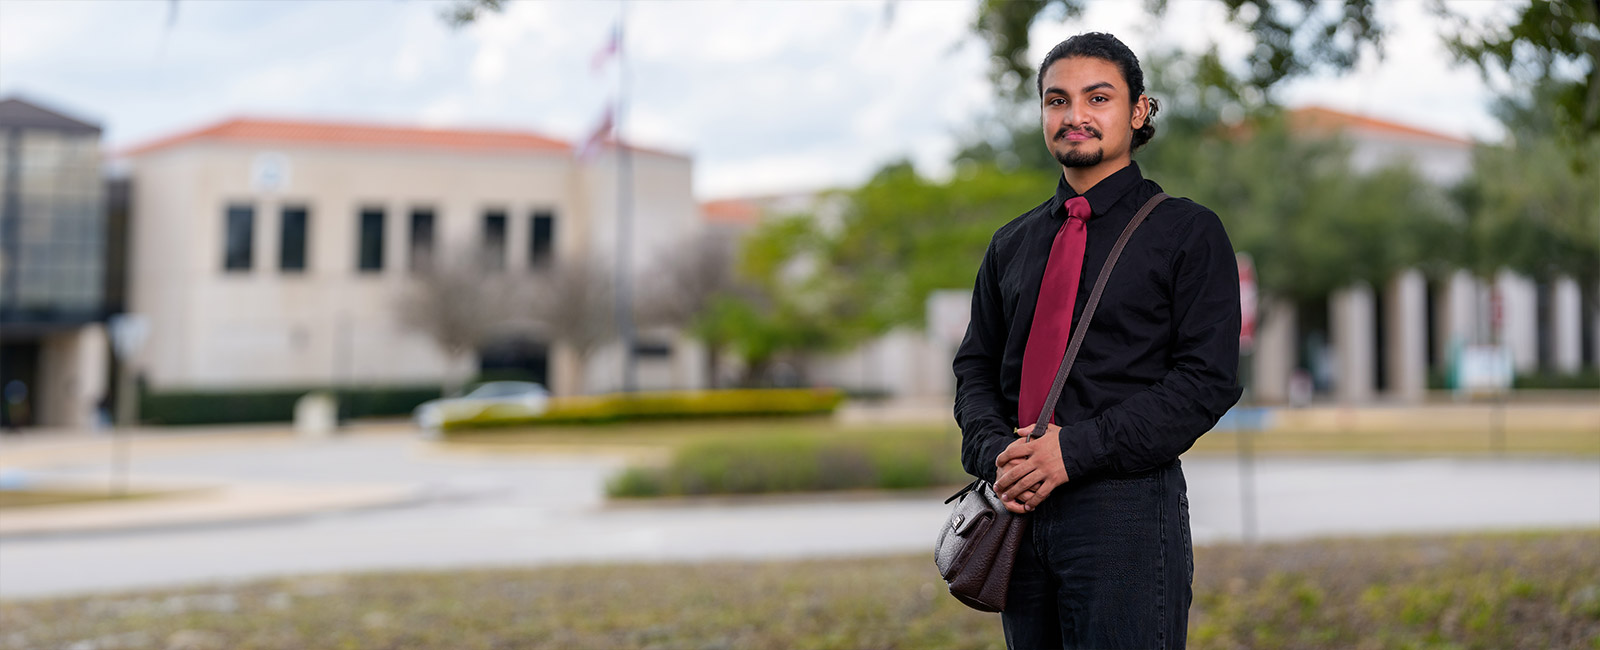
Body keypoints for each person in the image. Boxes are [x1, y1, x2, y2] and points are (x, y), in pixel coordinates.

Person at [951, 32, 1243, 649]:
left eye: (1098, 97)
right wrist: (996, 455)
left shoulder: (1188, 232)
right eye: (1057, 100)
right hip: (1018, 515)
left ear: (1138, 112)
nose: (1075, 115)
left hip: (1126, 511)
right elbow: (976, 366)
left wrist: (1074, 451)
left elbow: (1205, 380)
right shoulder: (1012, 243)